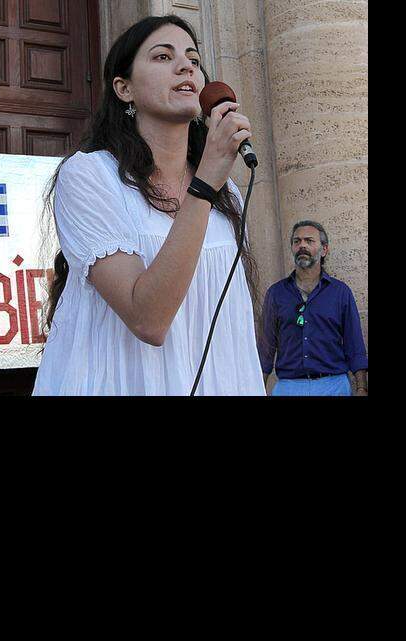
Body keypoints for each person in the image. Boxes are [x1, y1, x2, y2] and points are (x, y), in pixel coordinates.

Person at [32, 15, 264, 395]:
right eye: (162, 57)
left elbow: (232, 331)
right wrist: (204, 184)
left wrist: (209, 182)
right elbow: (148, 320)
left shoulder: (228, 194)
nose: (186, 65)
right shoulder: (89, 175)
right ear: (124, 89)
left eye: (193, 58)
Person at [259, 221, 368, 396]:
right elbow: (265, 348)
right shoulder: (276, 293)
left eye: (309, 241)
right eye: (297, 241)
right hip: (288, 387)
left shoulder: (340, 292)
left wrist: (362, 388)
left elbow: (354, 344)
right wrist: (257, 389)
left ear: (324, 250)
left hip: (333, 386)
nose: (302, 245)